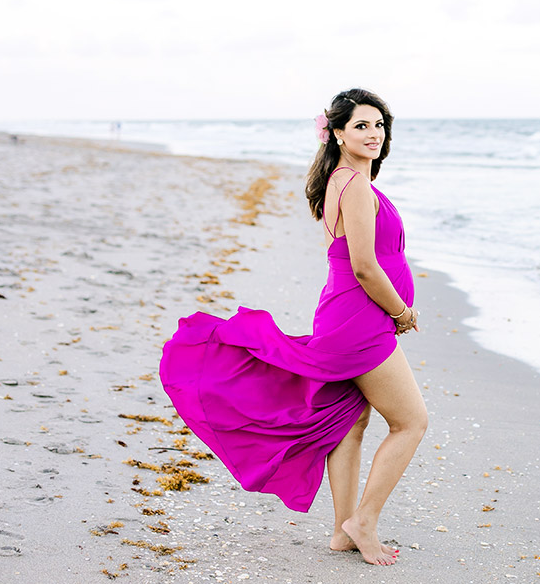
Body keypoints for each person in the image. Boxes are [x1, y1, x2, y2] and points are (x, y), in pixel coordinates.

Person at [160, 88, 427, 567]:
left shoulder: (340, 181)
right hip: (362, 321)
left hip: (345, 315)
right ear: (338, 133)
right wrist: (401, 314)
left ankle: (343, 529)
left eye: (379, 125)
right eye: (361, 125)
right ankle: (363, 522)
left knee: (351, 421)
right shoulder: (357, 186)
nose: (373, 134)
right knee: (411, 422)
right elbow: (365, 266)